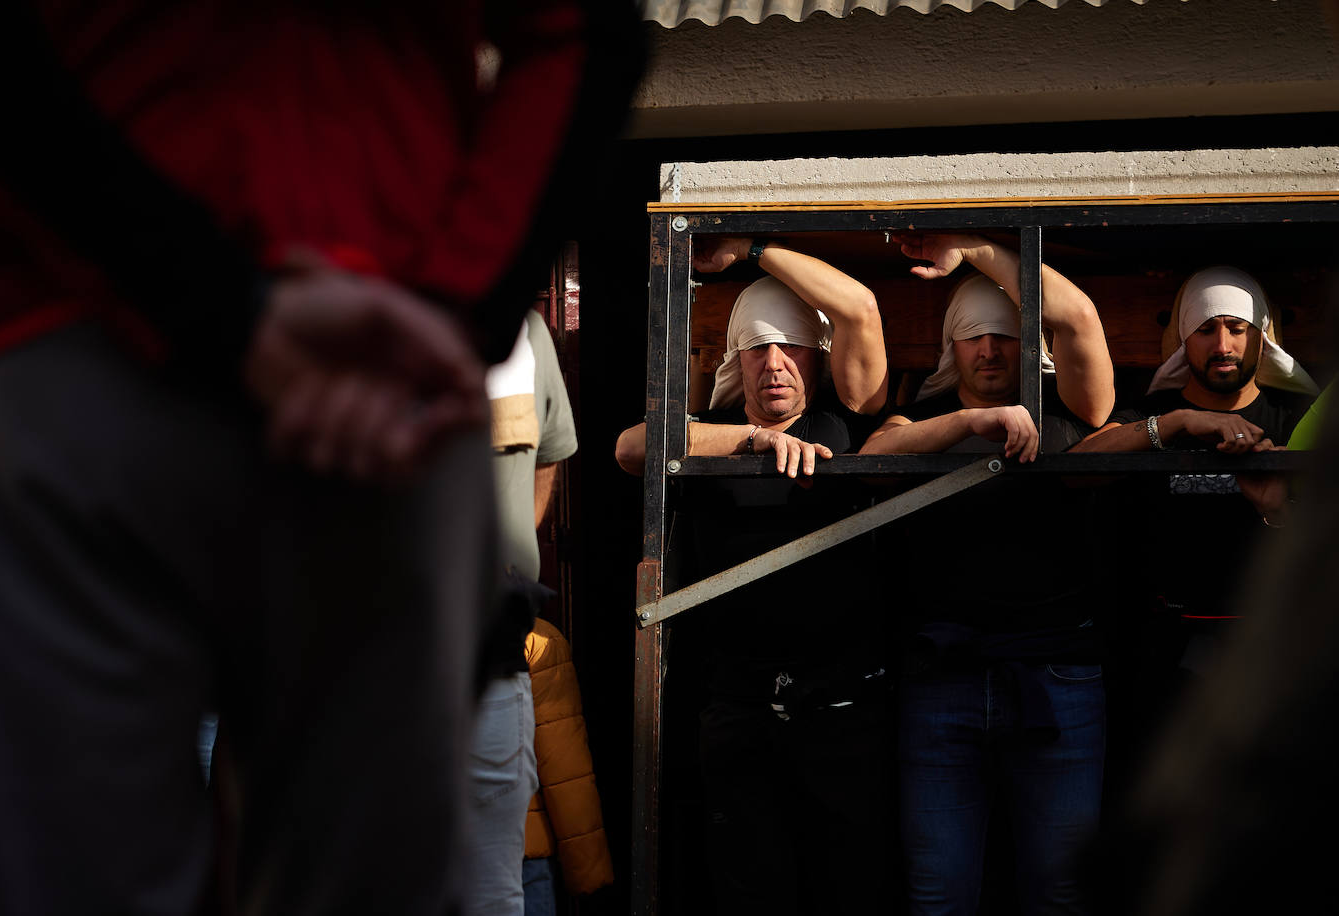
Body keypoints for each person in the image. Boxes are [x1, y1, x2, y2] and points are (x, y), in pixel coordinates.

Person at [0, 3, 640, 914]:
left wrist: (228, 307)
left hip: (81, 339)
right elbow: (585, 34)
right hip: (377, 360)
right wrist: (452, 309)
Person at [616, 237, 894, 915]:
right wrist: (751, 440)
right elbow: (631, 446)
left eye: (791, 346)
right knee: (748, 885)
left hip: (839, 708)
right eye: (757, 348)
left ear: (818, 358)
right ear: (734, 359)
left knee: (845, 884)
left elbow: (859, 306)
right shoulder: (712, 430)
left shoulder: (848, 423)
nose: (774, 364)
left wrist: (755, 245)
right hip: (735, 707)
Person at [860, 232, 1114, 915]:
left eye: (1005, 334)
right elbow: (877, 450)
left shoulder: (1075, 416)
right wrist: (972, 422)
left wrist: (971, 244)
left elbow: (1080, 317)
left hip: (1058, 675)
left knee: (1059, 890)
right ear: (952, 346)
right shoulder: (925, 417)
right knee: (939, 888)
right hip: (945, 676)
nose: (991, 349)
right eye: (973, 336)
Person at [1071, 267, 1319, 794]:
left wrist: (1277, 510)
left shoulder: (1295, 419)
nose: (1223, 344)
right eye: (1207, 329)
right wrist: (1179, 424)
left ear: (1261, 335)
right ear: (1185, 338)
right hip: (1162, 663)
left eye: (1237, 327)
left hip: (1269, 657)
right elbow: (1075, 468)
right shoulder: (1154, 416)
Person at [468, 312, 579, 916]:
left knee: (494, 886)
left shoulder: (520, 329)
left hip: (489, 651)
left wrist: (510, 551)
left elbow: (549, 452)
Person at [522, 617, 615, 914]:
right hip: (519, 854)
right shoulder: (536, 639)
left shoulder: (396, 632)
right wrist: (589, 876)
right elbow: (565, 768)